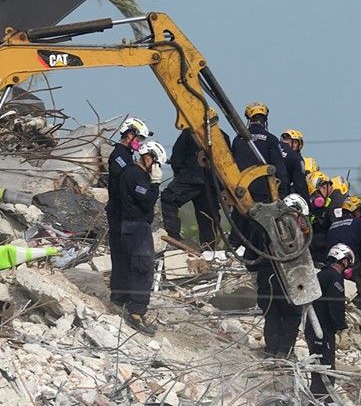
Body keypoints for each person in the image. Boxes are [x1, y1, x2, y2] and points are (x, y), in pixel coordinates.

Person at [117, 139, 166, 335]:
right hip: (136, 227)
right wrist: (155, 185)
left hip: (134, 226)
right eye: (156, 164)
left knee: (136, 268)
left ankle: (133, 307)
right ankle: (136, 313)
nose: (157, 169)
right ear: (148, 158)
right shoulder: (135, 175)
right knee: (142, 269)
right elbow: (146, 202)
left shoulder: (133, 173)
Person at [230, 101, 289, 258]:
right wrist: (283, 193)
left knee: (237, 234)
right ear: (265, 118)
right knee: (262, 234)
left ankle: (233, 259)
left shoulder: (238, 139)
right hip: (264, 194)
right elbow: (279, 168)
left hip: (240, 194)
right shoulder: (271, 139)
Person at [160, 115, 227, 250]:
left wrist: (179, 176)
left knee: (168, 198)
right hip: (212, 184)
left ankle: (174, 238)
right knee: (208, 216)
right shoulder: (223, 137)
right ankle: (209, 249)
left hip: (189, 179)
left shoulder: (189, 133)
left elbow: (177, 157)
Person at [106, 117, 152, 307]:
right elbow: (127, 178)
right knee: (120, 253)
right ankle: (119, 295)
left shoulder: (126, 155)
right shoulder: (118, 155)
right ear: (129, 134)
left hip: (123, 209)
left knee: (126, 253)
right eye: (138, 138)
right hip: (118, 210)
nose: (139, 143)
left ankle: (123, 293)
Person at [256, 192, 309, 358]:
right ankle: (284, 353)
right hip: (287, 279)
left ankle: (271, 350)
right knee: (291, 316)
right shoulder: (297, 235)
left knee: (272, 315)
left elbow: (252, 253)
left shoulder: (265, 226)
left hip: (266, 277)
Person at [307, 243, 354, 401]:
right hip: (323, 329)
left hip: (312, 327)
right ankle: (325, 400)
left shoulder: (320, 275)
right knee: (326, 366)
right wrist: (342, 327)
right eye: (348, 261)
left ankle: (315, 398)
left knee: (316, 365)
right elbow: (335, 305)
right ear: (342, 260)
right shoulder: (335, 278)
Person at [326, 195, 361, 306]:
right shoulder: (360, 224)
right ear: (355, 210)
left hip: (333, 269)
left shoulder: (333, 225)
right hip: (354, 269)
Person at [306, 170, 335, 263]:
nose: (315, 199)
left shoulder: (336, 206)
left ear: (324, 187)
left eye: (316, 194)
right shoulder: (326, 206)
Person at [279, 129, 307, 196]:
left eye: (295, 142)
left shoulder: (273, 152)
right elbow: (300, 185)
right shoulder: (297, 159)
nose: (293, 145)